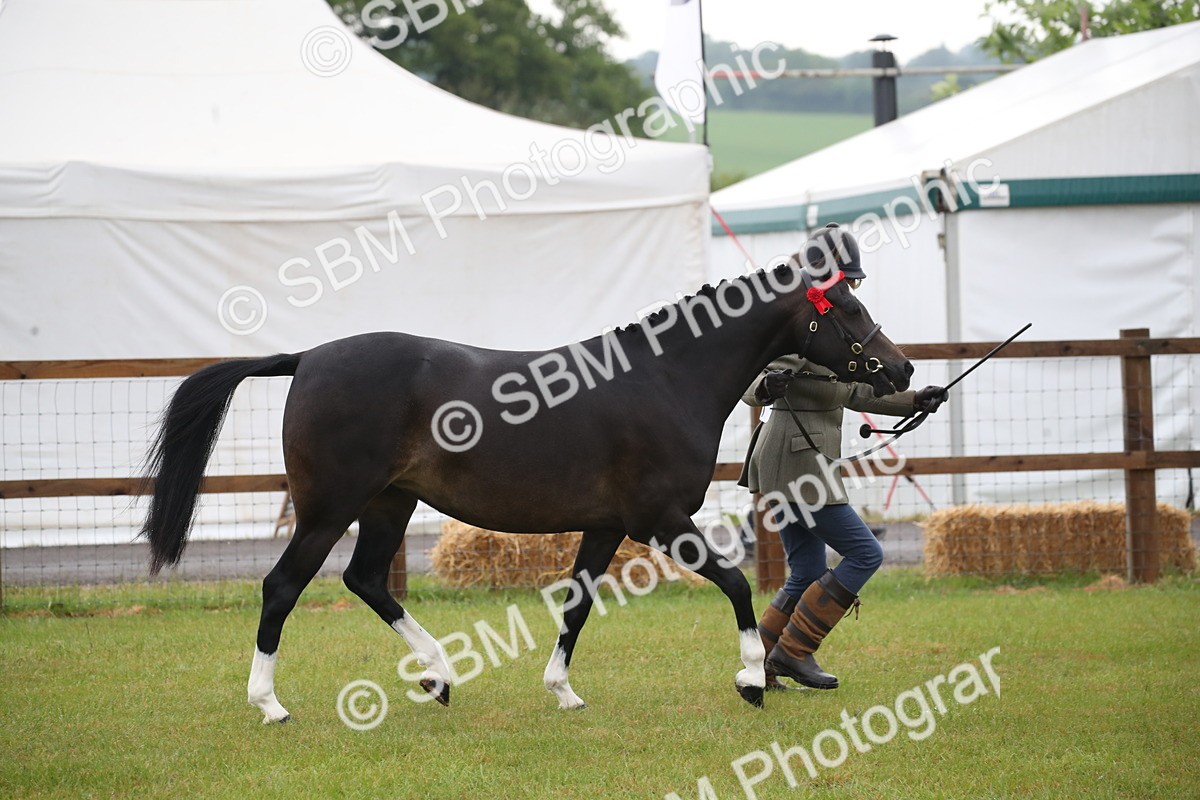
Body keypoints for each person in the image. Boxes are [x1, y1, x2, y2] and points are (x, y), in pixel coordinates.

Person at [738, 224, 946, 691]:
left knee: (808, 571)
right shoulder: (798, 328)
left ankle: (762, 666)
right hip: (795, 461)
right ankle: (795, 652)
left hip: (797, 462)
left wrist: (915, 400)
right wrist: (764, 387)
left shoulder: (832, 331)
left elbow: (853, 392)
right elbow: (751, 381)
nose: (850, 287)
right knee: (865, 552)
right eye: (843, 279)